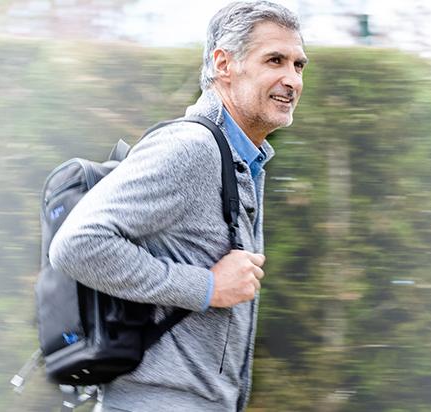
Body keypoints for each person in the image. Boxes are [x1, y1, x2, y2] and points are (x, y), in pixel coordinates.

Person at [48, 1, 307, 410]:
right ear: (224, 64)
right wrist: (207, 287)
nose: (291, 79)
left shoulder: (242, 161)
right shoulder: (192, 149)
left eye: (298, 65)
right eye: (275, 60)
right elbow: (77, 245)